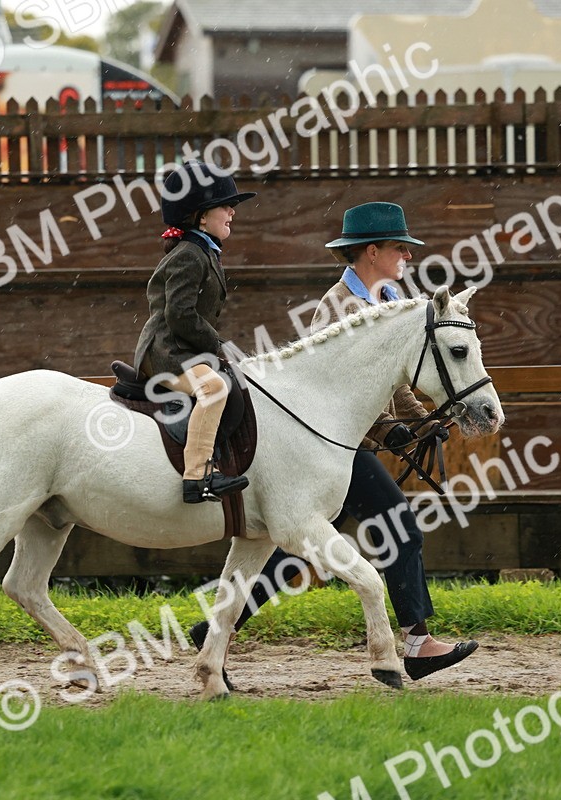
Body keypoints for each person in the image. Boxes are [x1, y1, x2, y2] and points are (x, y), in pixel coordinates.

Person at [190, 201, 478, 682]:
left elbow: (397, 383)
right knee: (399, 527)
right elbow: (331, 395)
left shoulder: (381, 303)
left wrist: (423, 421)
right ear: (372, 252)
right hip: (333, 448)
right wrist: (387, 431)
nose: (406, 257)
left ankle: (216, 628)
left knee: (284, 547)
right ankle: (416, 641)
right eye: (399, 249)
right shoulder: (340, 308)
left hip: (346, 449)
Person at [134, 161, 256, 504]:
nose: (232, 211)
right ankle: (197, 475)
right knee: (214, 388)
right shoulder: (190, 254)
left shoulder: (203, 251)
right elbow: (179, 315)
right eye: (225, 205)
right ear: (202, 216)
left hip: (184, 350)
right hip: (165, 352)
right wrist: (219, 344)